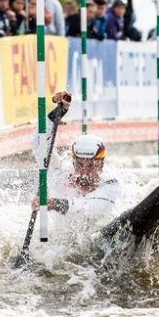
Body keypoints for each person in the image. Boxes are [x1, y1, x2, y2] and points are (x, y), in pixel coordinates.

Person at [32, 92, 119, 224]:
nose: (84, 172)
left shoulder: (110, 184)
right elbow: (39, 143)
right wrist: (58, 112)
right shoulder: (62, 173)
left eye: (90, 165)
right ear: (73, 162)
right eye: (79, 165)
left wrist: (54, 204)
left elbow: (88, 210)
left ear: (101, 164)